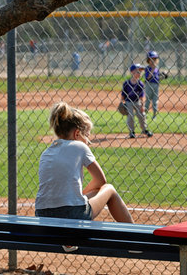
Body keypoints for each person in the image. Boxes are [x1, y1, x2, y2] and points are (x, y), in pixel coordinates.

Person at [35, 102, 133, 251]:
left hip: (43, 218)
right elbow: (101, 180)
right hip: (72, 216)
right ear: (76, 134)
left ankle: (67, 241)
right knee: (109, 189)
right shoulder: (80, 146)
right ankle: (133, 238)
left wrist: (81, 196)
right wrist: (83, 196)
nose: (89, 140)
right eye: (87, 135)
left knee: (77, 199)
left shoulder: (46, 152)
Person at [121, 64, 153, 138]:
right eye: (138, 72)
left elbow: (142, 96)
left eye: (140, 72)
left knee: (141, 115)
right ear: (132, 72)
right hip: (128, 101)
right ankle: (131, 131)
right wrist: (122, 102)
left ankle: (144, 129)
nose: (139, 73)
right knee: (130, 116)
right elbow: (123, 94)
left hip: (137, 101)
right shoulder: (127, 83)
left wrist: (142, 106)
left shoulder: (140, 84)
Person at [144, 51, 163, 120]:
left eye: (155, 59)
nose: (153, 61)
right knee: (148, 101)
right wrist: (153, 69)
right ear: (148, 60)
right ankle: (144, 114)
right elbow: (148, 77)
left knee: (155, 101)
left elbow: (157, 78)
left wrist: (163, 76)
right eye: (151, 59)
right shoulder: (147, 68)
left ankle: (154, 115)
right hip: (149, 85)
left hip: (156, 85)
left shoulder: (156, 68)